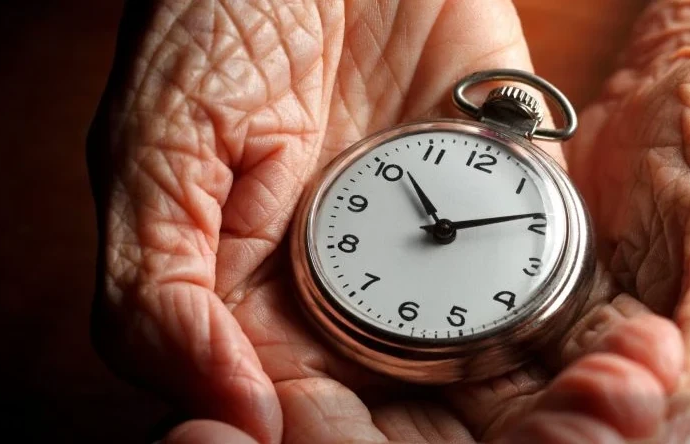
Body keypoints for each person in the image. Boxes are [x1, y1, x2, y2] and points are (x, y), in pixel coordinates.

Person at [86, 1, 690, 442]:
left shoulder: (506, 185)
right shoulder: (413, 155)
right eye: (437, 223)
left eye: (441, 228)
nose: (438, 228)